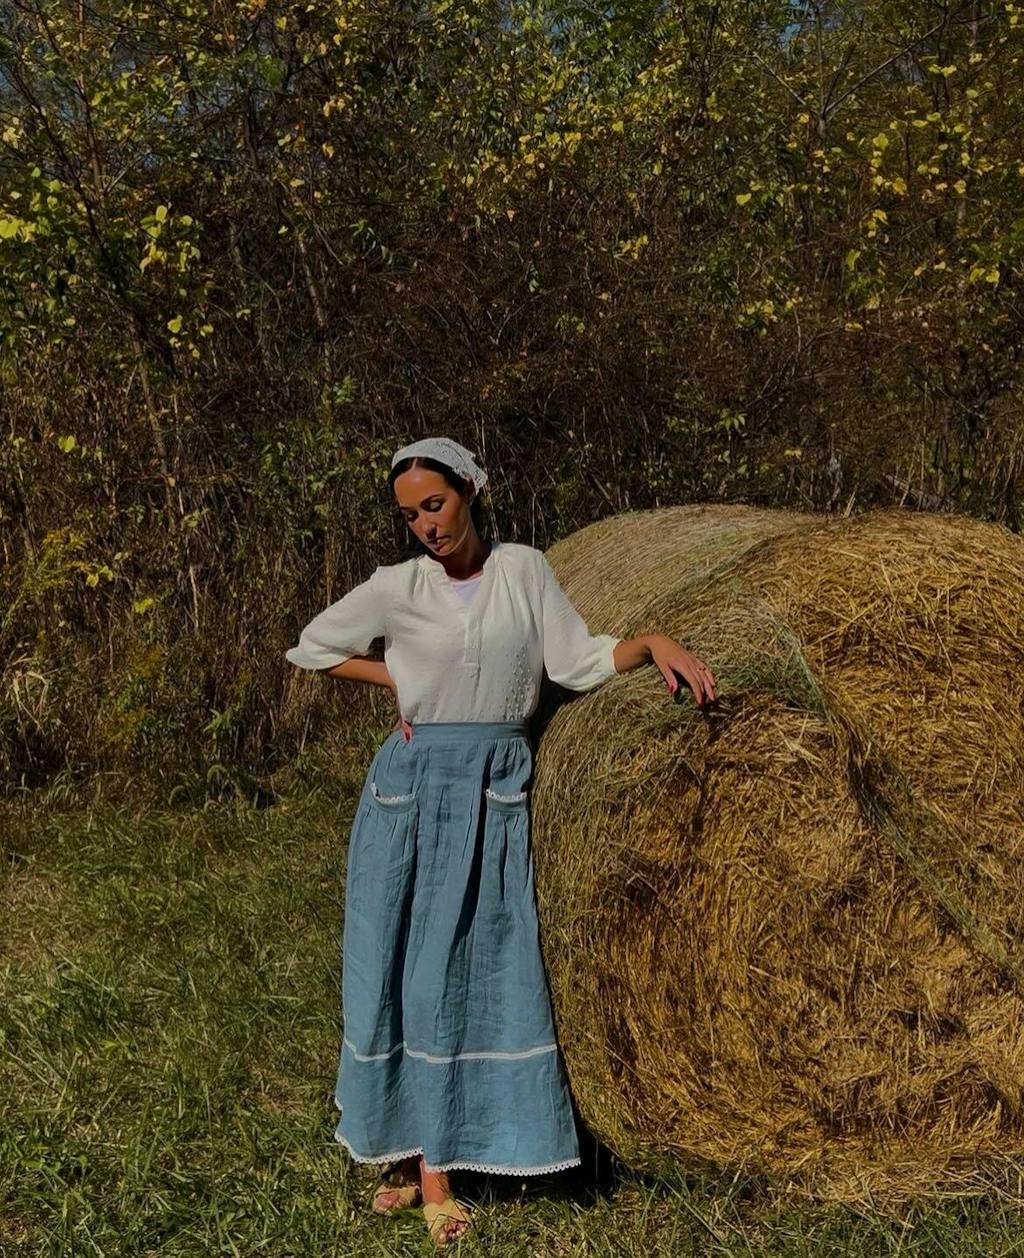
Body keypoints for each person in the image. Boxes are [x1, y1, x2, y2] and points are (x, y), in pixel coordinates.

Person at [284, 436, 717, 1247]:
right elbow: (313, 647)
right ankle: (432, 1173)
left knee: (473, 968)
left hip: (494, 789)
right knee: (408, 973)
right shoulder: (397, 587)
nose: (426, 526)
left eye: (435, 505)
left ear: (471, 491)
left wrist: (653, 643)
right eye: (410, 515)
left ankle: (445, 1146)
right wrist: (401, 680)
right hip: (414, 793)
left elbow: (576, 662)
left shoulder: (524, 570)